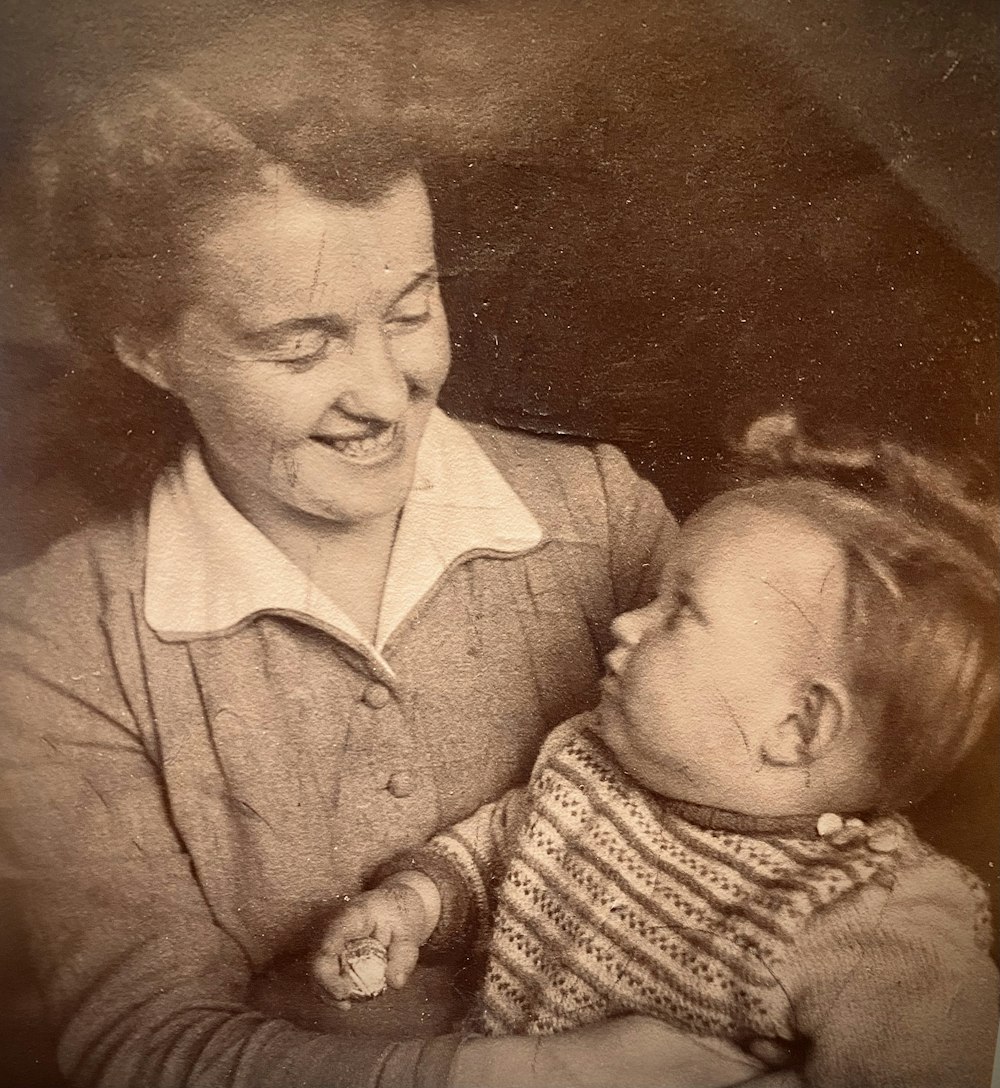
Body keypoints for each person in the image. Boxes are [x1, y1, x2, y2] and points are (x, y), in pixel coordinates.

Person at [0, 53, 797, 1088]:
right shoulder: (60, 640)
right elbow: (150, 1044)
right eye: (301, 345)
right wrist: (552, 1076)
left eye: (413, 308)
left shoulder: (597, 515)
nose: (385, 392)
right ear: (151, 349)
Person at [315, 414, 1000, 1088]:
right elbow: (497, 849)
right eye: (654, 596)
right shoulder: (592, 768)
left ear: (798, 726)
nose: (626, 622)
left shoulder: (875, 925)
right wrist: (410, 904)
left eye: (680, 612)